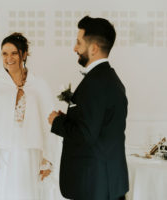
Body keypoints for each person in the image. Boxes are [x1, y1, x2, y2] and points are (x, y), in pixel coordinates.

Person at [48, 16, 129, 200]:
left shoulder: (95, 83)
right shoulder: (109, 79)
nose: (74, 48)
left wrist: (57, 121)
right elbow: (96, 126)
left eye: (78, 43)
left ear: (93, 48)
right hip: (105, 183)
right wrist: (70, 119)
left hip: (95, 185)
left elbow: (85, 134)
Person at [0, 32, 60, 200]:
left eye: (14, 53)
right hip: (2, 153)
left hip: (31, 153)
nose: (9, 58)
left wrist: (48, 159)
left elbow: (49, 123)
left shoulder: (39, 84)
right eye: (4, 53)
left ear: (23, 54)